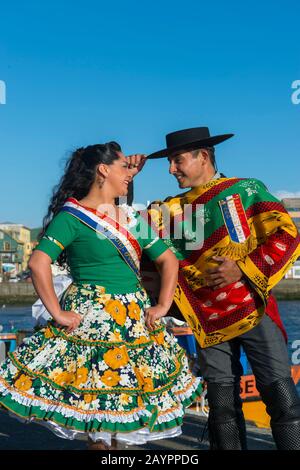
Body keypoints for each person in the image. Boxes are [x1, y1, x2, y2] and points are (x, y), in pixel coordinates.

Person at [0, 142, 203, 450]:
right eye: (124, 167)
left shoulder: (131, 218)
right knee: (97, 420)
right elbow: (38, 261)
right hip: (91, 324)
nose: (130, 174)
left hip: (134, 323)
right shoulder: (72, 216)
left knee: (125, 420)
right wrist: (57, 313)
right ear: (103, 169)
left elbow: (168, 259)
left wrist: (163, 305)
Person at [129, 126, 300, 450]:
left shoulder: (246, 191)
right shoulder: (167, 211)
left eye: (177, 160)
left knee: (283, 400)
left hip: (254, 310)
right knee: (221, 408)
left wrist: (242, 266)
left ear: (203, 156)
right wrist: (130, 182)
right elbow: (131, 234)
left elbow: (287, 233)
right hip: (205, 318)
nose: (171, 169)